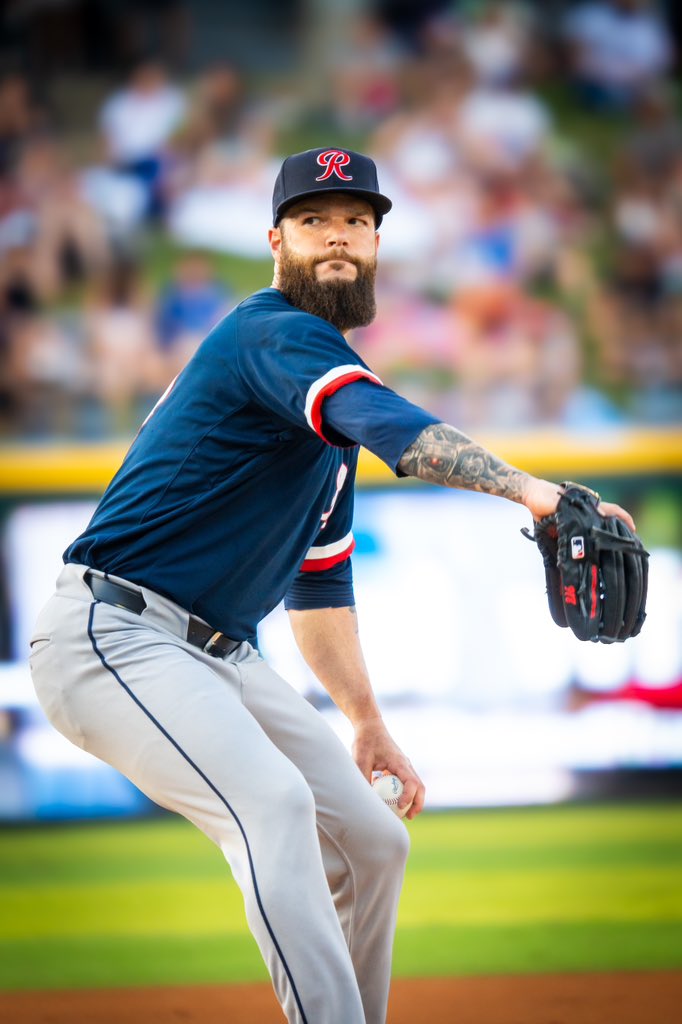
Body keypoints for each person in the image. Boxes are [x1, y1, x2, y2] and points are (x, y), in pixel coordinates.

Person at [29, 147, 635, 1024]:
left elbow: (320, 589)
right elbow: (394, 425)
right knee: (271, 804)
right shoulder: (270, 332)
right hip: (113, 633)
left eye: (356, 220)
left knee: (375, 841)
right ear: (277, 240)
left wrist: (365, 720)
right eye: (315, 221)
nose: (338, 238)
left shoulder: (322, 424)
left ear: (379, 244)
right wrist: (541, 495)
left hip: (218, 654)